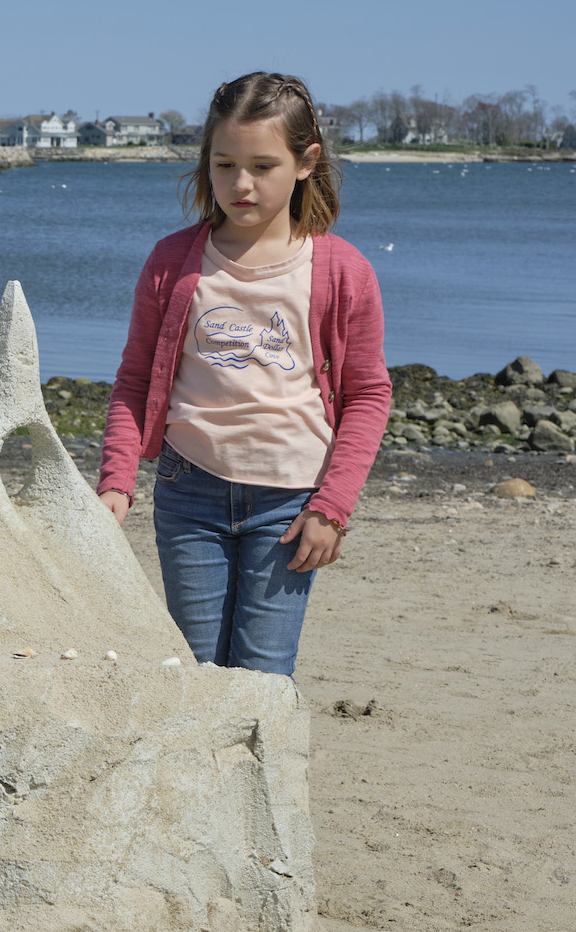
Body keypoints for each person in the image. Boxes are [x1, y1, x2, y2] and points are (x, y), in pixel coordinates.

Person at [98, 72, 391, 676]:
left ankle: (267, 776)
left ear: (306, 161)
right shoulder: (172, 263)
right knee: (197, 674)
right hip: (188, 492)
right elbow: (133, 380)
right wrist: (116, 482)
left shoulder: (343, 271)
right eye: (224, 164)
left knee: (262, 675)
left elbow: (367, 394)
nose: (241, 183)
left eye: (262, 165)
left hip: (292, 503)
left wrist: (333, 506)